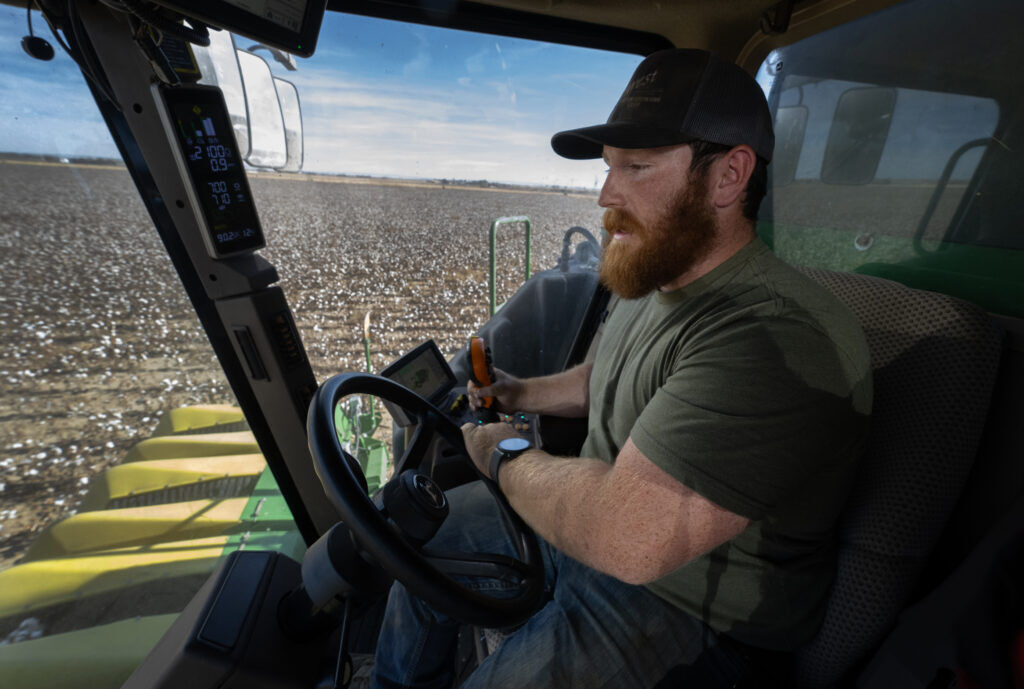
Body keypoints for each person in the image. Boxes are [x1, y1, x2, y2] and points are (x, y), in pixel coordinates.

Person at [370, 48, 872, 689]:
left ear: (728, 177)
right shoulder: (655, 280)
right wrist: (517, 391)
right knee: (425, 536)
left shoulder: (774, 336)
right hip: (591, 523)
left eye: (636, 167)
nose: (605, 194)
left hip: (686, 608)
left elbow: (626, 535)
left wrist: (501, 455)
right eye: (609, 169)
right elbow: (598, 379)